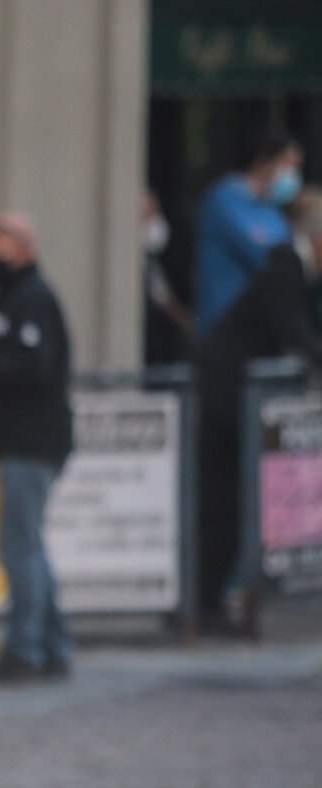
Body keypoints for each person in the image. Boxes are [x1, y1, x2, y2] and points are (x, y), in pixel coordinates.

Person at [192, 188, 322, 625]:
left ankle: (212, 598)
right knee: (220, 503)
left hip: (231, 398)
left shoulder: (290, 269)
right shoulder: (285, 269)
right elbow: (293, 334)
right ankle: (204, 601)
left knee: (227, 502)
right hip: (223, 399)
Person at [0, 212, 74, 682]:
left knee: (20, 545)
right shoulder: (15, 296)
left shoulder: (30, 298)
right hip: (25, 440)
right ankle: (50, 644)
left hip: (31, 441)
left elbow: (33, 366)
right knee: (29, 543)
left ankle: (26, 648)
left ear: (24, 249)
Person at [196, 130, 302, 333]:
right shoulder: (224, 199)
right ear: (263, 162)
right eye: (287, 163)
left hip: (263, 326)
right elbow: (266, 254)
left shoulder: (272, 208)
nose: (292, 172)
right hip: (224, 324)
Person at [142, 188, 194, 366]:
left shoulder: (150, 259)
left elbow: (163, 295)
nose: (155, 221)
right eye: (149, 215)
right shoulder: (131, 263)